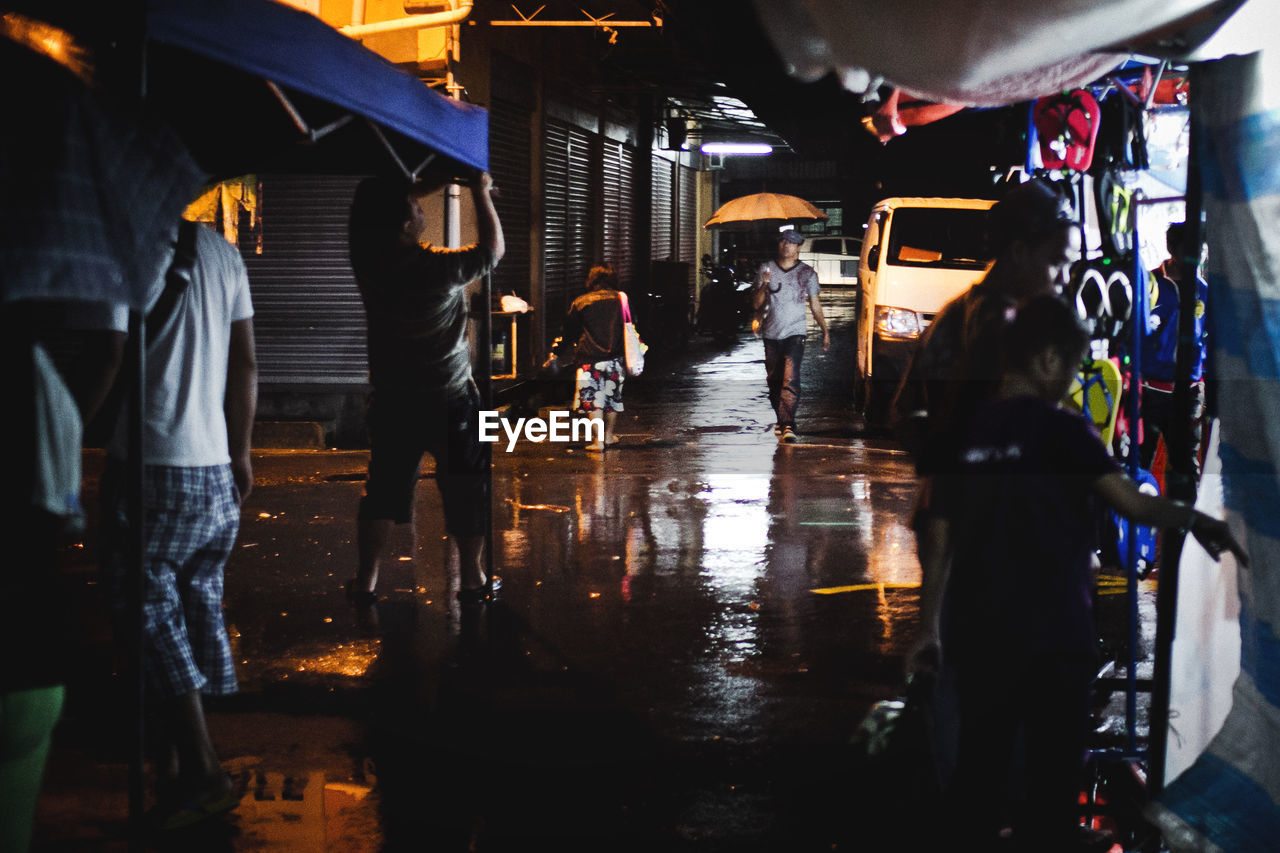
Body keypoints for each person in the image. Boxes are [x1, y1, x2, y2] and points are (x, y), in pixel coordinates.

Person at [913, 295, 1246, 853]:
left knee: (980, 771)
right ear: (1046, 360)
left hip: (980, 636)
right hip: (1056, 638)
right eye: (1069, 365)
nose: (1070, 378)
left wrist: (929, 629)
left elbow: (938, 540)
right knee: (1050, 787)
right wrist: (1197, 521)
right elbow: (1133, 505)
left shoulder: (962, 434)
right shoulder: (1063, 431)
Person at [99, 219, 258, 830]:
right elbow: (244, 362)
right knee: (186, 614)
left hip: (151, 466)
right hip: (214, 471)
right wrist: (240, 451)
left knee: (147, 615)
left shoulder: (126, 245)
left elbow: (107, 358)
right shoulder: (222, 252)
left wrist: (57, 445)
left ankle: (202, 768)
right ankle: (171, 775)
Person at [345, 171, 504, 606]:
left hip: (395, 399)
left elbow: (377, 207)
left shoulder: (369, 260)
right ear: (404, 223)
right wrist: (480, 191)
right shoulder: (439, 267)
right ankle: (472, 579)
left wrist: (440, 179)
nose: (421, 210)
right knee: (466, 485)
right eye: (415, 208)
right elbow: (493, 250)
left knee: (383, 489)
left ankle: (366, 582)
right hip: (451, 398)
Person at [1140, 221, 1208, 481]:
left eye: (1202, 249)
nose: (1198, 255)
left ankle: (1181, 521)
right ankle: (1137, 517)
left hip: (1188, 394)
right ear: (1172, 248)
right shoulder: (1149, 285)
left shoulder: (1203, 290)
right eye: (1191, 248)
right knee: (1138, 461)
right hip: (1149, 392)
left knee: (1186, 469)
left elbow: (1209, 338)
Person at [752, 229, 829, 442]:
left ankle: (788, 425)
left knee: (791, 378)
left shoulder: (807, 273)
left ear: (798, 247)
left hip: (796, 333)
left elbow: (815, 304)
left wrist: (825, 330)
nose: (786, 245)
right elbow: (756, 303)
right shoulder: (766, 268)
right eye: (783, 241)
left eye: (791, 242)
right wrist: (764, 285)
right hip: (771, 333)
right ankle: (781, 419)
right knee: (774, 380)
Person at [549, 264, 629, 452]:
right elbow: (632, 325)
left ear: (591, 281)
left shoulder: (581, 302)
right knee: (611, 399)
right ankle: (609, 437)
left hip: (588, 359)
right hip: (615, 359)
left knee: (593, 400)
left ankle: (598, 441)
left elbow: (569, 332)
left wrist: (557, 352)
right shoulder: (622, 300)